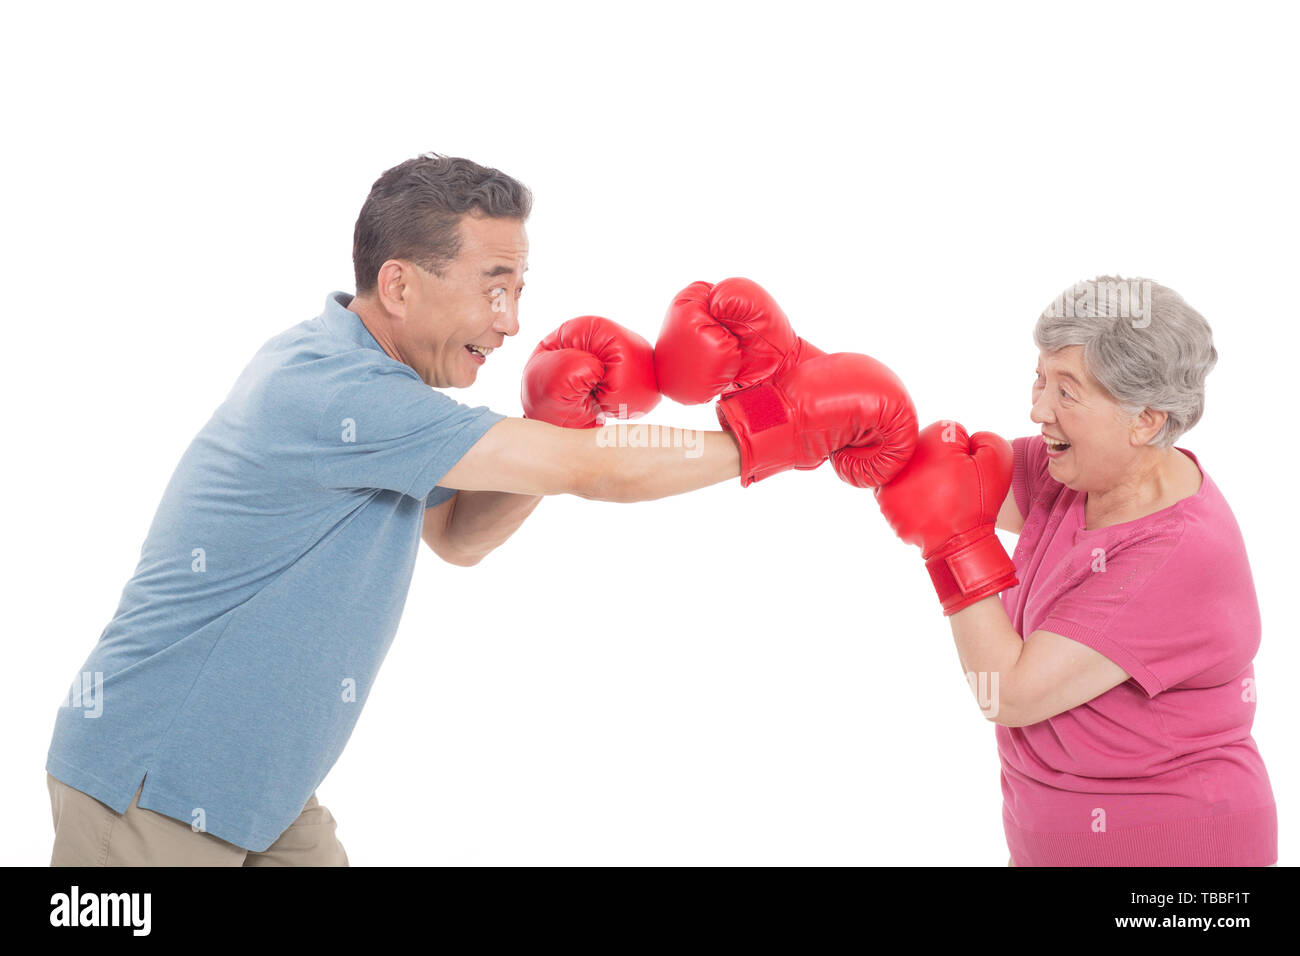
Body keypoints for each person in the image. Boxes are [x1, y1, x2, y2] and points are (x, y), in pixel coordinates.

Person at [45, 152, 917, 865]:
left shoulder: (379, 389)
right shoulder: (330, 387)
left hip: (262, 785)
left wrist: (555, 423)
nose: (509, 323)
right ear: (399, 285)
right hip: (147, 785)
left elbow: (459, 537)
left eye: (520, 290)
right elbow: (593, 473)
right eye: (493, 286)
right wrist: (778, 432)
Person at [851, 277, 1277, 866]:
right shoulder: (1080, 475)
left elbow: (1010, 692)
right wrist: (821, 399)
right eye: (1040, 378)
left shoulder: (1174, 552)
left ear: (1145, 420)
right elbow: (947, 482)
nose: (1037, 409)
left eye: (1067, 392)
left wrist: (953, 541)